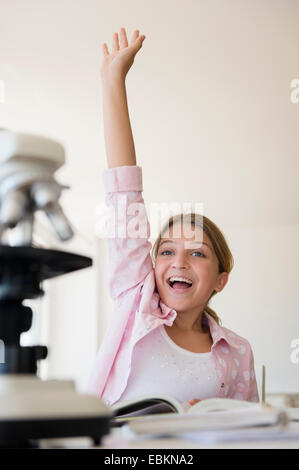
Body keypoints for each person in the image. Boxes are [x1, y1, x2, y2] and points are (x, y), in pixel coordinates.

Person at [87, 27, 259, 408]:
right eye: (166, 251)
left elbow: (246, 435)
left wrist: (215, 419)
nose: (178, 261)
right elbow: (124, 194)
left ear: (221, 280)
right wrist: (112, 79)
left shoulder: (239, 353)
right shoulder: (136, 301)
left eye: (197, 254)